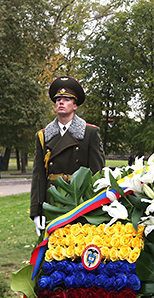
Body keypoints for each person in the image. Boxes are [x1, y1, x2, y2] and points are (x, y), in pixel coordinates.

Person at [30, 75, 105, 235]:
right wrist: (37, 211)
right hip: (53, 201)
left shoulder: (89, 133)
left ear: (75, 105)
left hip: (80, 202)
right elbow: (38, 176)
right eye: (58, 100)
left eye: (66, 99)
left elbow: (97, 174)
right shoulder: (43, 136)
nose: (61, 103)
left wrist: (97, 208)